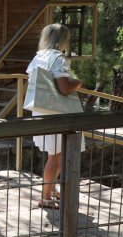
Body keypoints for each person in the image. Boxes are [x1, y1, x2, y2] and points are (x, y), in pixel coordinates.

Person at [26, 23, 84, 209]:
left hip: (42, 110)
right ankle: (45, 197)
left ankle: (49, 190)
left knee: (55, 155)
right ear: (62, 40)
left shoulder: (38, 57)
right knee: (55, 156)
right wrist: (78, 83)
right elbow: (64, 88)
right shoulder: (58, 58)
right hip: (56, 112)